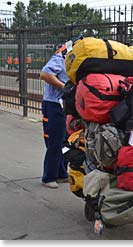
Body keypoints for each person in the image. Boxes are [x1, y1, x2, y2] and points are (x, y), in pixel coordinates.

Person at [40, 44, 69, 189]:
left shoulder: (77, 61)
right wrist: (64, 87)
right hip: (53, 105)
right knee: (55, 140)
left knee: (66, 140)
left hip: (65, 105)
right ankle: (49, 177)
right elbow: (45, 74)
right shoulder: (60, 58)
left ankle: (61, 173)